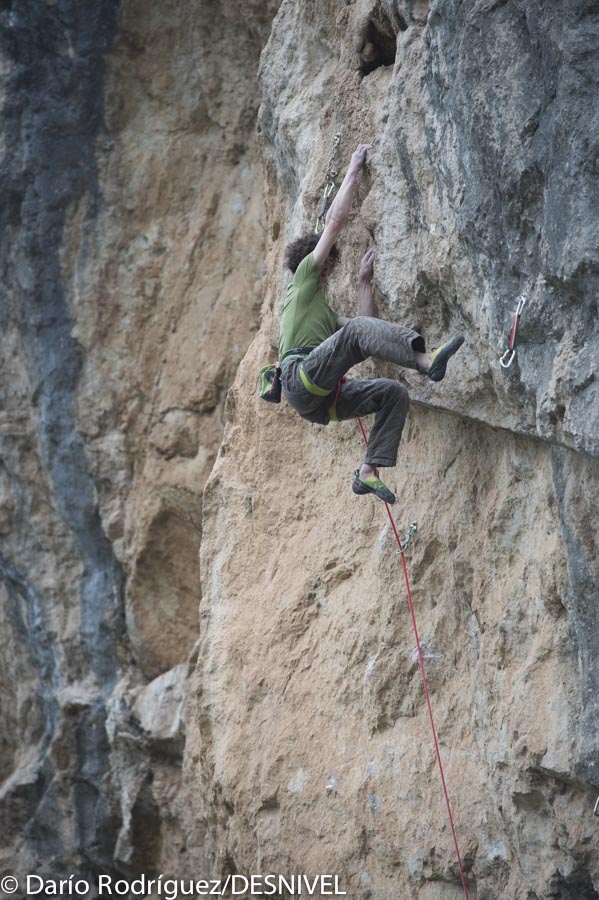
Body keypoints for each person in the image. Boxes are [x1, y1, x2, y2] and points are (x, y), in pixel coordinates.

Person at [279, 143, 464, 504]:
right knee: (356, 334)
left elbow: (367, 328)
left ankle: (368, 471)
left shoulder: (325, 315)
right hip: (299, 375)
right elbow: (334, 222)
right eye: (329, 262)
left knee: (392, 393)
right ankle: (426, 361)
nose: (330, 267)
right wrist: (353, 169)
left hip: (318, 401)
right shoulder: (302, 279)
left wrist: (365, 283)